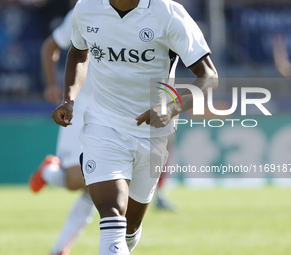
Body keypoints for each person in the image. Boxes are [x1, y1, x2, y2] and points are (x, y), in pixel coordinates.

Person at [51, 0, 218, 254]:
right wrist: (69, 98)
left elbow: (208, 76)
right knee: (112, 211)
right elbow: (78, 52)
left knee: (129, 229)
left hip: (151, 135)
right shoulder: (87, 8)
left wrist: (172, 108)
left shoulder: (169, 13)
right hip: (103, 125)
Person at [29, 7, 95, 255]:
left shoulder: (144, 11)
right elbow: (50, 46)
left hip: (116, 107)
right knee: (77, 180)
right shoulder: (85, 9)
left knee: (103, 183)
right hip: (81, 102)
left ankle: (59, 249)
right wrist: (51, 85)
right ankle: (49, 172)